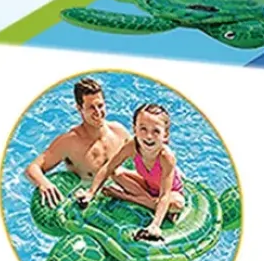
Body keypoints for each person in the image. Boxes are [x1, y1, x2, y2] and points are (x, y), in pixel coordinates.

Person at [75, 103, 185, 242]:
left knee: (177, 204)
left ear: (165, 135)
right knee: (116, 173)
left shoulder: (166, 157)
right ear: (134, 129)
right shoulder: (133, 146)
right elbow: (109, 167)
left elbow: (164, 195)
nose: (149, 136)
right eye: (143, 129)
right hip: (147, 185)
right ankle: (148, 202)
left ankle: (126, 197)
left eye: (156, 131)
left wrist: (155, 225)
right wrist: (90, 193)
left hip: (170, 192)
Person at [24, 78, 131, 207]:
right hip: (91, 205)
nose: (98, 112)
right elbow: (32, 168)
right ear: (79, 108)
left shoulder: (119, 132)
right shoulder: (70, 142)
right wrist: (44, 183)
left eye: (100, 105)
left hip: (122, 197)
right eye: (91, 107)